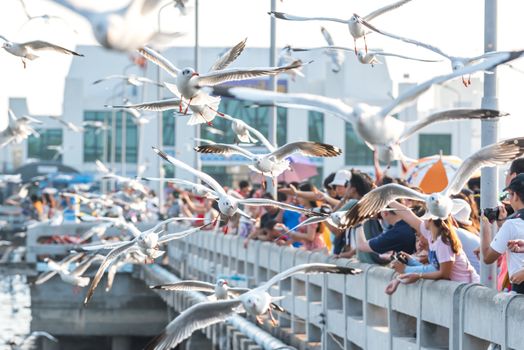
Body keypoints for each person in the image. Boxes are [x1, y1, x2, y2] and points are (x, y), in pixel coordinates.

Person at [385, 201, 479, 295]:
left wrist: (412, 272)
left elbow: (443, 273)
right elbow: (407, 215)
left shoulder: (443, 242)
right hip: (458, 291)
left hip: (467, 292)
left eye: (424, 217)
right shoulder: (431, 235)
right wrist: (388, 198)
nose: (422, 220)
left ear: (430, 219)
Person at [480, 173, 524, 293]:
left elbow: (488, 257)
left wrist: (485, 225)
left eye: (509, 194)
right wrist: (502, 223)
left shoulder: (511, 224)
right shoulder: (510, 223)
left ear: (515, 195)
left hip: (520, 289)